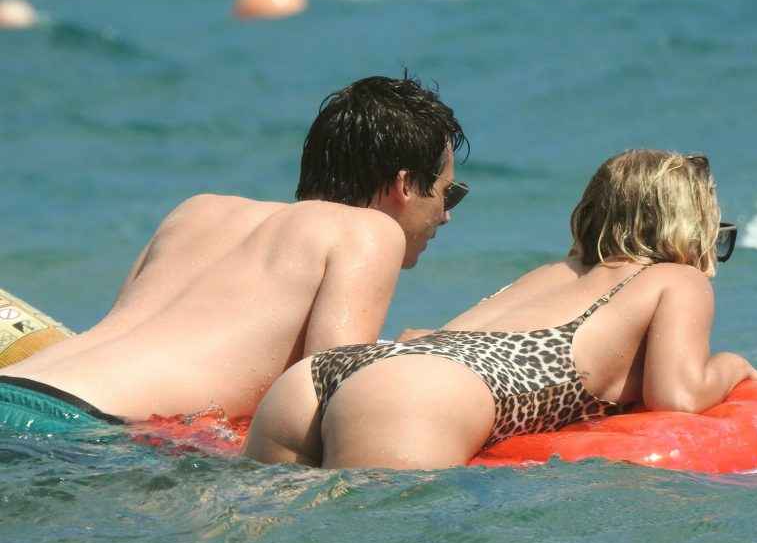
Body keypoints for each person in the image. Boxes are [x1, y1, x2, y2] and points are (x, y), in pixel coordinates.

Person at [243, 149, 757, 470]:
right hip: (415, 396)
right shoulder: (675, 279)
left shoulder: (550, 273)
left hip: (321, 378)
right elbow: (677, 395)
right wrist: (733, 367)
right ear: (690, 228)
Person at [0, 75, 468, 434]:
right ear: (405, 186)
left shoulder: (197, 210)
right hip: (76, 428)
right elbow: (330, 396)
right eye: (448, 193)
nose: (446, 216)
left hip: (20, 388)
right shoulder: (369, 230)